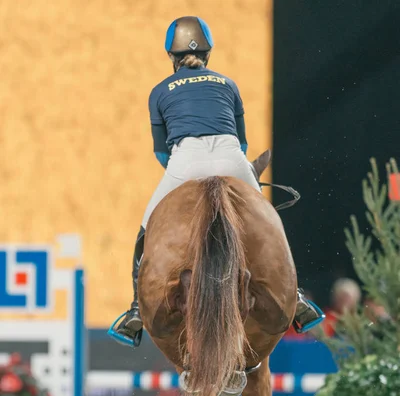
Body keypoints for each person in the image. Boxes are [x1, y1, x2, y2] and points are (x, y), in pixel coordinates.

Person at [110, 16, 324, 346]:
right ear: (208, 53)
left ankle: (136, 310)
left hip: (187, 159)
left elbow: (161, 153)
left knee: (146, 230)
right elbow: (241, 144)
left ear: (171, 56)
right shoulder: (228, 84)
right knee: (268, 223)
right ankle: (295, 298)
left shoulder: (159, 92)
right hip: (230, 157)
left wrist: (187, 180)